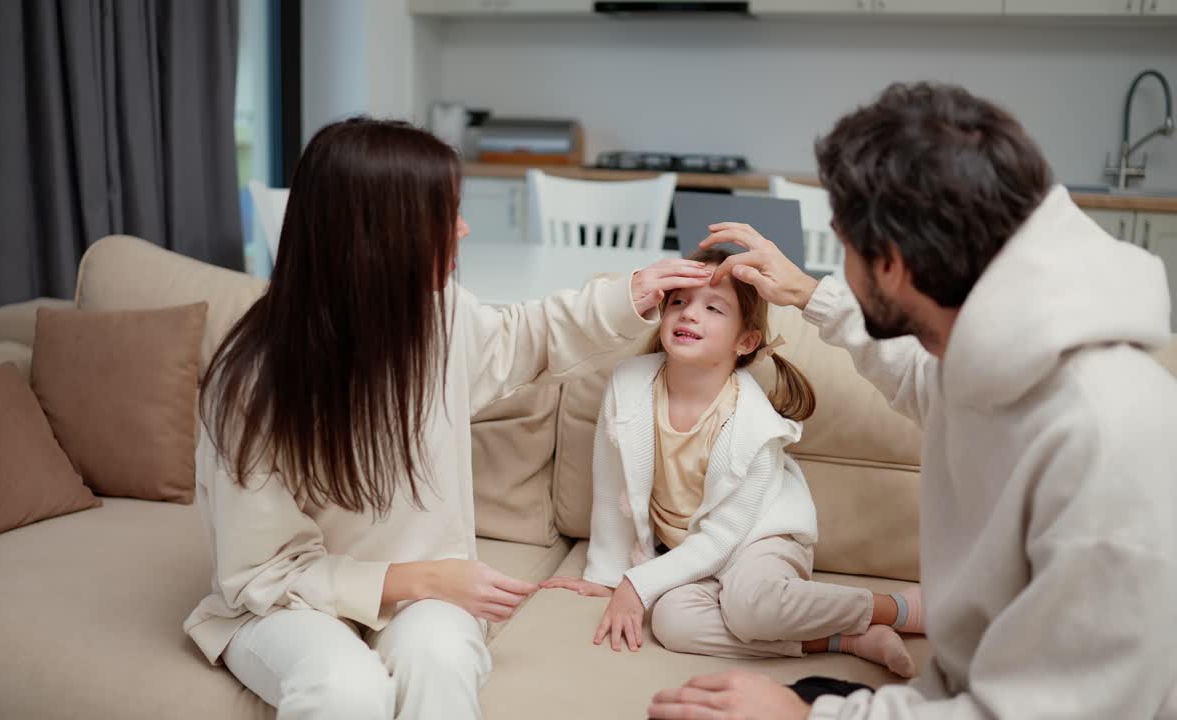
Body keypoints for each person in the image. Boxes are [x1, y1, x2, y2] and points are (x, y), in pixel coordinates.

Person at [649, 82, 1177, 720]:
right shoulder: (997, 350)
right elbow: (919, 379)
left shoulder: (1105, 442)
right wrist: (806, 293)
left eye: (840, 247)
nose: (836, 265)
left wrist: (804, 716)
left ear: (893, 265)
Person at [180, 117, 714, 720]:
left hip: (428, 590)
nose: (462, 228)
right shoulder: (249, 383)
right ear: (381, 235)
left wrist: (632, 292)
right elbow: (262, 574)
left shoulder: (439, 317)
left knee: (440, 658)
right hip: (283, 607)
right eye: (445, 214)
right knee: (345, 689)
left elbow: (524, 338)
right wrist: (423, 580)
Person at [541, 246, 923, 678]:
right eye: (679, 302)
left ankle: (897, 609)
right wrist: (607, 575)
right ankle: (846, 638)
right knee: (672, 623)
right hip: (693, 549)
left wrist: (636, 585)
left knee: (749, 607)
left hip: (757, 538)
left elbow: (723, 538)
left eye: (713, 308)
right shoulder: (628, 385)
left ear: (746, 341)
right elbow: (612, 488)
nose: (689, 315)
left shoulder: (754, 426)